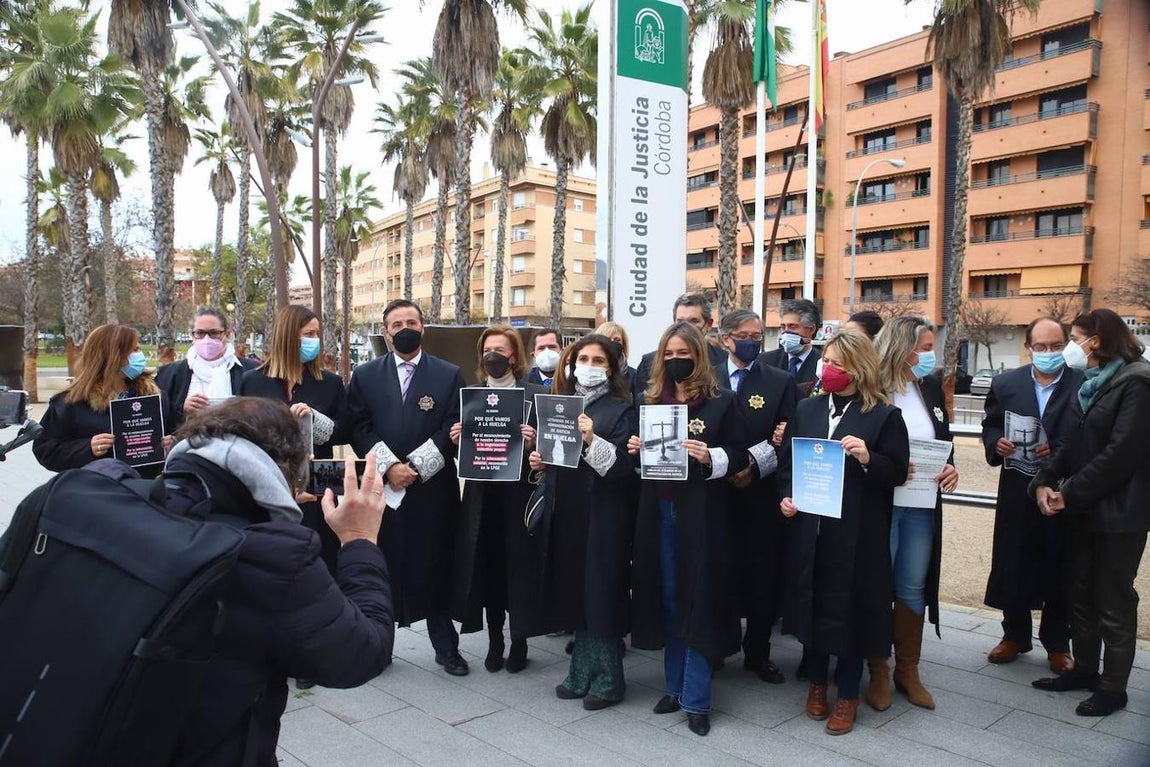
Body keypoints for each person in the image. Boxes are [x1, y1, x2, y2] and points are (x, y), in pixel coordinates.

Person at [160, 397, 394, 765]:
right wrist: (359, 539)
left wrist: (275, 499)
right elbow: (362, 654)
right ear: (284, 467)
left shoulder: (128, 500)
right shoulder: (276, 558)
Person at [777, 329, 910, 736]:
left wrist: (870, 458)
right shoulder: (808, 408)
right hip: (811, 529)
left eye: (836, 362)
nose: (827, 368)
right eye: (826, 360)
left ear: (858, 367)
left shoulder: (883, 415)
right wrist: (787, 498)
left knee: (849, 612)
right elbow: (788, 466)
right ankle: (818, 682)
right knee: (813, 605)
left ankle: (848, 693)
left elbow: (897, 472)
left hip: (856, 535)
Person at [627, 321, 746, 737]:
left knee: (697, 599)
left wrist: (709, 454)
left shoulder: (722, 402)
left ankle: (696, 697)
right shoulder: (652, 402)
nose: (676, 361)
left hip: (702, 515)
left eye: (684, 354)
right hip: (659, 511)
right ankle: (674, 686)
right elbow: (641, 466)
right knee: (669, 598)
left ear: (699, 356)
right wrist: (636, 450)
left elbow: (741, 456)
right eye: (670, 354)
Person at [1031, 308, 1150, 717]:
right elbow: (1072, 443)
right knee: (1079, 593)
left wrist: (1071, 493)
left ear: (1095, 341)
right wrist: (1046, 479)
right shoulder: (1092, 383)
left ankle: (1113, 687)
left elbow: (1122, 454)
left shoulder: (1137, 382)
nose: (1069, 347)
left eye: (1075, 337)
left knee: (1113, 600)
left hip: (1120, 515)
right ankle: (1084, 670)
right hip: (1084, 510)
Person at [346, 299, 469, 676]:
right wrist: (389, 468)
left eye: (411, 321)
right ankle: (378, 646)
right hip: (382, 490)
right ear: (386, 331)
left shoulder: (449, 374)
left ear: (423, 327)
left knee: (436, 563)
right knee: (382, 566)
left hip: (432, 489)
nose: (404, 328)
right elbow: (357, 426)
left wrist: (413, 468)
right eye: (396, 324)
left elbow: (453, 426)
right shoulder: (365, 375)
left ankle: (446, 646)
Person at [528, 334, 637, 710]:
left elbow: (623, 469)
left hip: (605, 514)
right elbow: (559, 457)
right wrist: (541, 461)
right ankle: (579, 673)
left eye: (598, 360)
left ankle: (609, 680)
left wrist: (591, 440)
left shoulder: (622, 408)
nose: (588, 367)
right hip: (568, 511)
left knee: (601, 593)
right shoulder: (561, 404)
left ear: (611, 367)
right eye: (582, 359)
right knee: (577, 590)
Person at [980, 317, 1081, 673]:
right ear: (1029, 347)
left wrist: (1059, 454)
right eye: (1041, 347)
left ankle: (1057, 643)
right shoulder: (1006, 383)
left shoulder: (1082, 384)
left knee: (1059, 563)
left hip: (1063, 489)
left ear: (1066, 346)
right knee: (1014, 559)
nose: (1048, 353)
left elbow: (1091, 435)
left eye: (1056, 346)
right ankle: (1015, 635)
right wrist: (997, 443)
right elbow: (990, 424)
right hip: (1016, 488)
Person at [871, 316, 958, 712]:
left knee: (911, 585)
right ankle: (877, 671)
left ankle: (908, 668)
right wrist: (888, 464)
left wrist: (951, 466)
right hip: (881, 503)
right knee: (876, 582)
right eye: (923, 346)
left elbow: (944, 441)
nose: (929, 354)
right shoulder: (871, 389)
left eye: (930, 346)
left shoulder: (930, 388)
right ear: (901, 347)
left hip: (921, 505)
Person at [450, 326, 543, 673]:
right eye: (488, 350)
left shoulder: (532, 394)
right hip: (483, 496)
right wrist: (460, 441)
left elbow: (548, 451)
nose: (493, 356)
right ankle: (495, 641)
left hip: (518, 494)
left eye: (500, 350)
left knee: (518, 567)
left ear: (514, 356)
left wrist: (533, 442)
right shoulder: (471, 396)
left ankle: (519, 641)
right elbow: (465, 457)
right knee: (487, 566)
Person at [713, 309, 798, 684]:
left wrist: (752, 468)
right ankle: (715, 646)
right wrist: (727, 468)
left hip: (761, 494)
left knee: (763, 574)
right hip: (715, 492)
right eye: (744, 334)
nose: (752, 340)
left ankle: (758, 652)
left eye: (758, 334)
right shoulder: (707, 376)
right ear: (725, 338)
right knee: (718, 570)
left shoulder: (779, 380)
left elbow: (786, 437)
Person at [240, 305, 347, 576]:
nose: (315, 340)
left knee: (321, 563)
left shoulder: (330, 383)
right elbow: (241, 434)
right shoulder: (252, 381)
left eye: (317, 333)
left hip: (318, 485)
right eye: (308, 333)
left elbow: (344, 432)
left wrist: (315, 419)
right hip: (268, 483)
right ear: (288, 337)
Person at [33, 324, 171, 479]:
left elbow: (173, 432)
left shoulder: (154, 395)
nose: (141, 355)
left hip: (145, 489)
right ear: (113, 355)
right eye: (135, 350)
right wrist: (87, 448)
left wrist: (171, 443)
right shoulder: (71, 402)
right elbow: (46, 450)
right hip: (96, 490)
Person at [155, 307, 259, 430]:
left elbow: (265, 417)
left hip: (238, 445)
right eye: (200, 333)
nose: (207, 339)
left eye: (214, 333)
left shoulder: (252, 371)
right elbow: (158, 420)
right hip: (187, 446)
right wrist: (182, 409)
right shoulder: (169, 374)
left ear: (227, 334)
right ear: (192, 335)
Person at [632, 293, 728, 398]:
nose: (686, 327)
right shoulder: (649, 363)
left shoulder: (723, 360)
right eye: (680, 321)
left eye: (694, 321)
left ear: (708, 324)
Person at [761, 298, 823, 396]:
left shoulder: (823, 364)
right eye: (783, 327)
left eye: (792, 327)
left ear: (811, 329)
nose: (786, 332)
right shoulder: (764, 361)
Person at [595, 321, 637, 387]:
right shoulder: (588, 373)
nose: (612, 343)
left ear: (623, 344)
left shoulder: (633, 376)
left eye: (617, 340)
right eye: (607, 339)